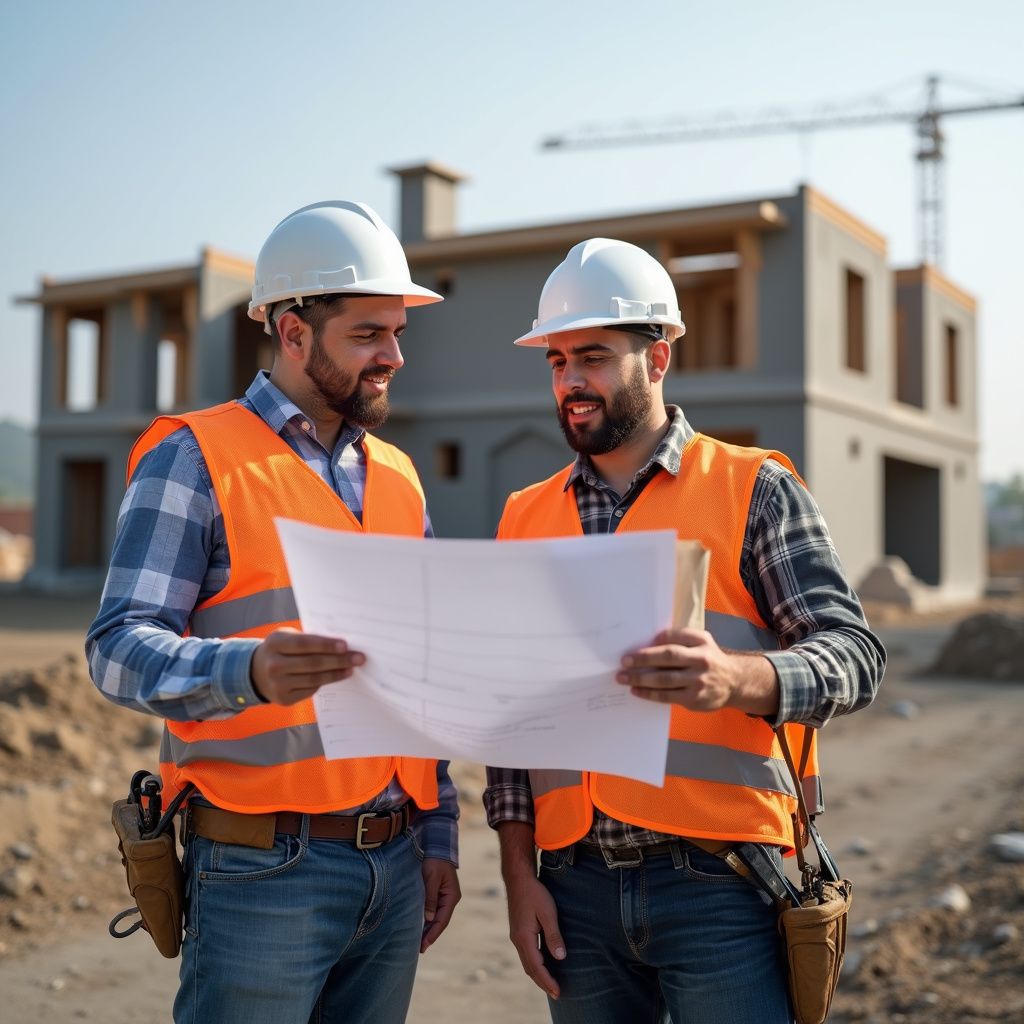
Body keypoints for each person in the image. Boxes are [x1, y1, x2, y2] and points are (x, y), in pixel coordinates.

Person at [484, 237, 885, 1024]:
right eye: (557, 362)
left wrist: (741, 679)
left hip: (722, 887)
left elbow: (856, 658)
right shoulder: (523, 516)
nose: (571, 382)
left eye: (593, 357)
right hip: (575, 892)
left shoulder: (754, 489)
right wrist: (518, 877)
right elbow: (513, 717)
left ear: (658, 357)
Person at [87, 200, 461, 1024]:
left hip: (394, 863)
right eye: (368, 334)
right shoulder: (193, 456)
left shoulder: (398, 475)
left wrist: (437, 838)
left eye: (397, 333)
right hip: (262, 870)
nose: (393, 356)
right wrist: (247, 668)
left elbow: (424, 674)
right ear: (294, 333)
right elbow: (115, 648)